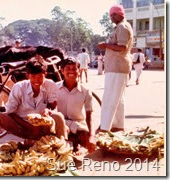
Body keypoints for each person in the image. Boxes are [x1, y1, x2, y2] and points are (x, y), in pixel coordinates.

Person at [0, 56, 67, 145]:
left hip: (42, 127)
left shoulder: (50, 84)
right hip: (21, 127)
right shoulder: (19, 87)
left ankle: (62, 148)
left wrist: (47, 109)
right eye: (33, 76)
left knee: (59, 116)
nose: (37, 80)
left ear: (45, 74)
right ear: (27, 75)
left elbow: (53, 104)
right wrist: (27, 126)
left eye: (40, 76)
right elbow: (10, 112)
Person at [97, 4, 133, 132]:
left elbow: (122, 47)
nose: (112, 17)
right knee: (117, 99)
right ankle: (118, 126)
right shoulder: (119, 27)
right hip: (116, 68)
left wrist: (106, 45)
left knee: (110, 98)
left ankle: (105, 127)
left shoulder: (122, 27)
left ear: (121, 14)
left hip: (117, 68)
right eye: (111, 15)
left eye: (115, 14)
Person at [56, 58, 96, 155]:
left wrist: (92, 136)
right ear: (62, 71)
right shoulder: (54, 88)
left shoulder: (85, 91)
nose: (71, 71)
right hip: (60, 124)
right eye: (68, 68)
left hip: (78, 125)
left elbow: (89, 116)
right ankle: (67, 145)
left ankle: (75, 144)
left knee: (90, 142)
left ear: (79, 71)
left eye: (74, 68)